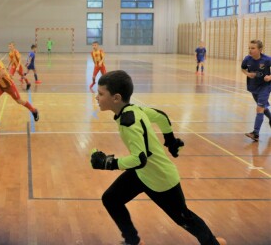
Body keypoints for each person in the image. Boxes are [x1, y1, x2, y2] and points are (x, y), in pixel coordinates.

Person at [90, 70, 226, 245]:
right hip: (142, 174)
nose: (96, 97)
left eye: (101, 94)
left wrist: (109, 163)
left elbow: (139, 159)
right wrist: (170, 139)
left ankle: (212, 243)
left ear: (116, 98)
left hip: (160, 178)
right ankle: (133, 241)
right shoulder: (134, 109)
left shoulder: (128, 123)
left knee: (185, 218)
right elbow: (161, 117)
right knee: (111, 199)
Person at [0, 43, 39, 127]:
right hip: (0, 86)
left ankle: (34, 110)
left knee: (19, 101)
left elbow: (2, 72)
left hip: (9, 85)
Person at [241, 39, 271, 141]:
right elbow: (243, 68)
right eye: (249, 48)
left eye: (253, 48)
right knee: (262, 108)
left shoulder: (267, 59)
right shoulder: (247, 59)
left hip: (265, 87)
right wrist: (248, 74)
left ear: (260, 49)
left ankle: (255, 133)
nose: (250, 50)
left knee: (259, 108)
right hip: (253, 87)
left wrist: (270, 77)